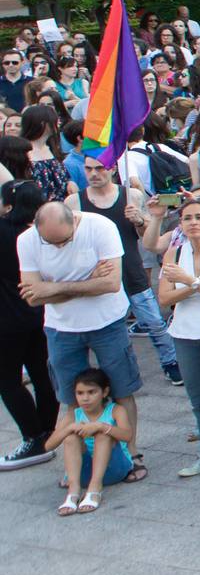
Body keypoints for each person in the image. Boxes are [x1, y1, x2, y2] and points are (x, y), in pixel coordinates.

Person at [19, 200, 144, 481]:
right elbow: (32, 297)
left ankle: (131, 453)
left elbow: (111, 284)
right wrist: (88, 280)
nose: (58, 247)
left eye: (63, 241)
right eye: (50, 243)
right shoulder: (27, 241)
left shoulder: (100, 227)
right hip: (60, 328)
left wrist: (52, 288)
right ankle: (78, 463)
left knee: (122, 390)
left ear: (74, 222)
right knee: (72, 398)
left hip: (107, 322)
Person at [67, 158, 178, 385]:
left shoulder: (131, 196)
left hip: (131, 269)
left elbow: (148, 237)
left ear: (113, 169)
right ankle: (107, 374)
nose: (94, 174)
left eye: (99, 168)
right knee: (105, 328)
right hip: (98, 275)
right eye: (88, 169)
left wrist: (139, 221)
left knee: (155, 322)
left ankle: (171, 362)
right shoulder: (74, 201)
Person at [0, 181, 58, 470]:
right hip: (41, 312)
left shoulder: (6, 230)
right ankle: (48, 432)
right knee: (41, 374)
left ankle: (33, 437)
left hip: (9, 319)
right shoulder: (43, 232)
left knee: (8, 380)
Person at [48, 368, 135, 516]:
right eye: (80, 393)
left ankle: (95, 488)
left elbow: (127, 436)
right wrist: (70, 428)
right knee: (70, 437)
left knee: (103, 435)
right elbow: (49, 446)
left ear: (105, 392)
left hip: (115, 469)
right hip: (83, 474)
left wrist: (101, 426)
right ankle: (73, 491)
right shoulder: (73, 415)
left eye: (91, 392)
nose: (85, 398)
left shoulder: (116, 410)